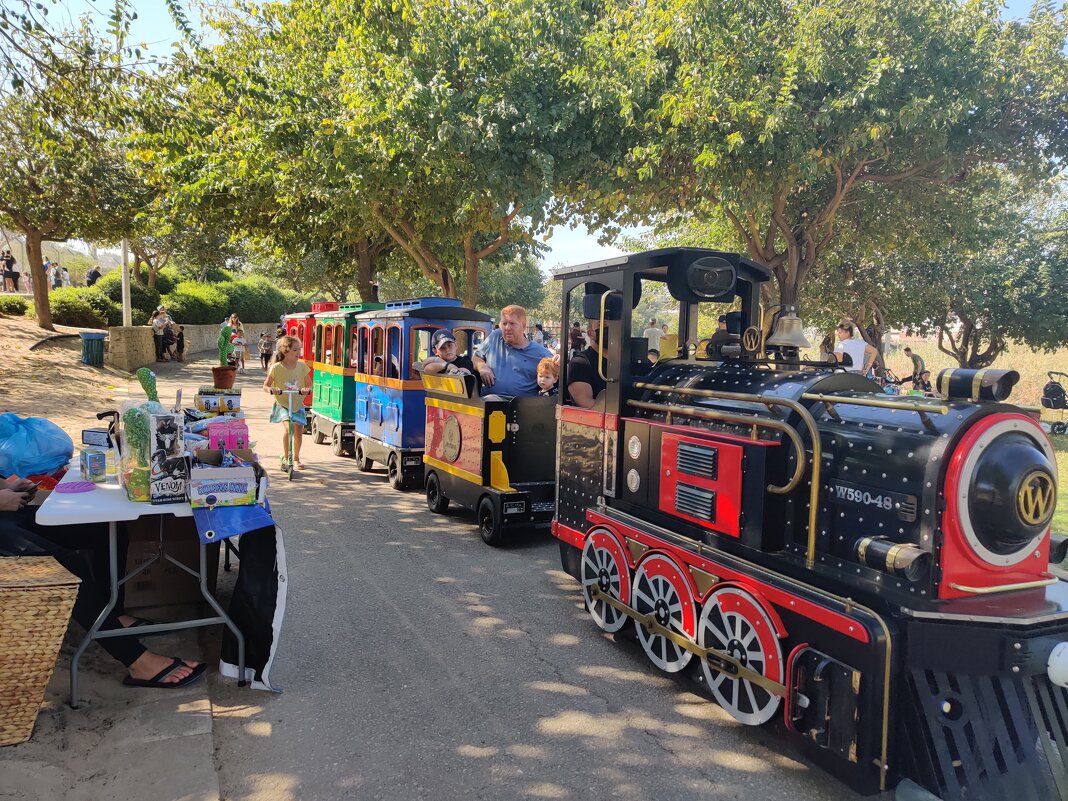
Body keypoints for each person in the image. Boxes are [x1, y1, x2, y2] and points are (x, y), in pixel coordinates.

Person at [0, 476, 205, 688]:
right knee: (67, 566)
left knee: (105, 527)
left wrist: (8, 488)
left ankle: (113, 614)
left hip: (8, 515)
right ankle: (136, 660)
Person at [473, 304, 552, 397]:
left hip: (521, 408)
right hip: (487, 405)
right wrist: (482, 367)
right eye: (504, 323)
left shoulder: (542, 354)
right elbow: (476, 357)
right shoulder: (496, 337)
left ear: (523, 326)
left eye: (512, 323)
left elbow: (554, 378)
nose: (507, 328)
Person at [264, 335, 312, 471]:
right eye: (295, 350)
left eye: (299, 350)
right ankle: (286, 457)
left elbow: (310, 385)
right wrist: (272, 389)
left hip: (297, 404)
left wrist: (306, 389)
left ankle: (296, 458)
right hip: (283, 403)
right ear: (285, 351)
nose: (299, 353)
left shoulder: (302, 367)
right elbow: (265, 386)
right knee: (288, 427)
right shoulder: (276, 368)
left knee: (298, 431)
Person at [567, 312, 608, 409]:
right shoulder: (580, 363)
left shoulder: (626, 362)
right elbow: (586, 402)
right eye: (602, 325)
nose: (609, 330)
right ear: (590, 333)